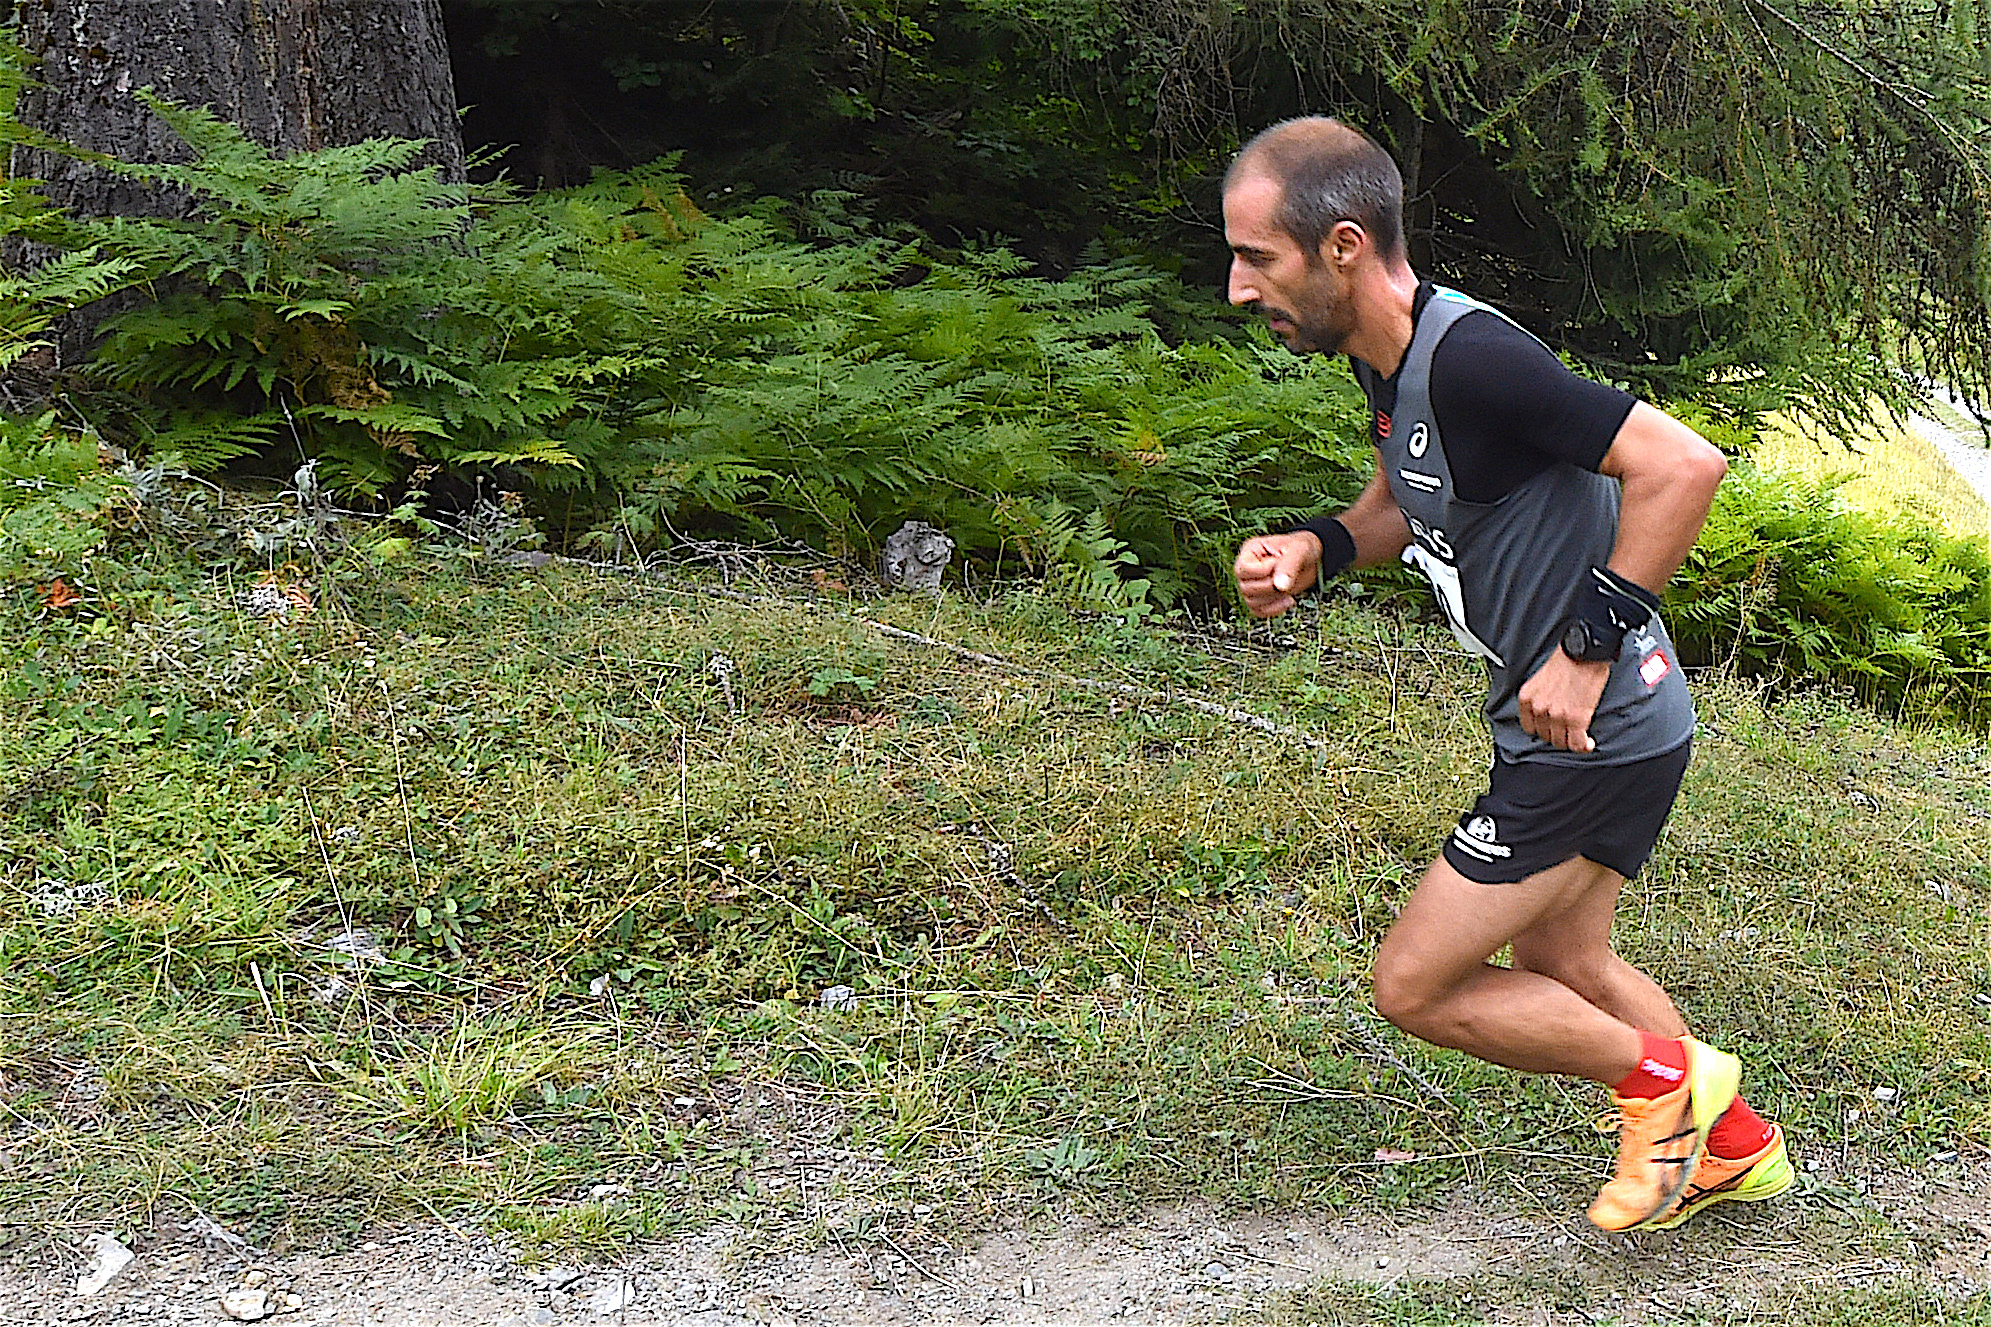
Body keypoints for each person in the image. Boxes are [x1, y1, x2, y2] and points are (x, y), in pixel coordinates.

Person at [1225, 116, 1794, 1231]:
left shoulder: (1476, 360)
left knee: (1413, 984)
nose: (1238, 287)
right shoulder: (1390, 360)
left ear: (1341, 245)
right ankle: (1730, 1149)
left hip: (1589, 732)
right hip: (1608, 726)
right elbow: (1410, 491)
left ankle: (1666, 1089)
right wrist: (1323, 546)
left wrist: (1584, 653)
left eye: (1256, 257)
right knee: (1564, 952)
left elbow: (1681, 465)